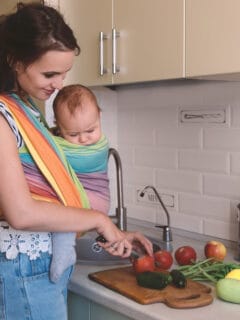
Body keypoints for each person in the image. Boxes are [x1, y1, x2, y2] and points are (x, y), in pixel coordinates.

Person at [0, 3, 152, 319]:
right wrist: (99, 220)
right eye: (49, 73)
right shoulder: (3, 116)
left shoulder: (26, 110)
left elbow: (51, 190)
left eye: (65, 73)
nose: (59, 84)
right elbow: (22, 213)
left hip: (38, 265)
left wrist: (115, 232)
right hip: (22, 267)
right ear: (15, 60)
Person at [50, 84, 111, 282]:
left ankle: (64, 254)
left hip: (90, 200)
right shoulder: (86, 137)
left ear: (99, 116)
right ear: (58, 127)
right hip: (93, 202)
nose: (84, 139)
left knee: (61, 221)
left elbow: (47, 147)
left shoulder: (98, 147)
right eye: (73, 135)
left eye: (90, 130)